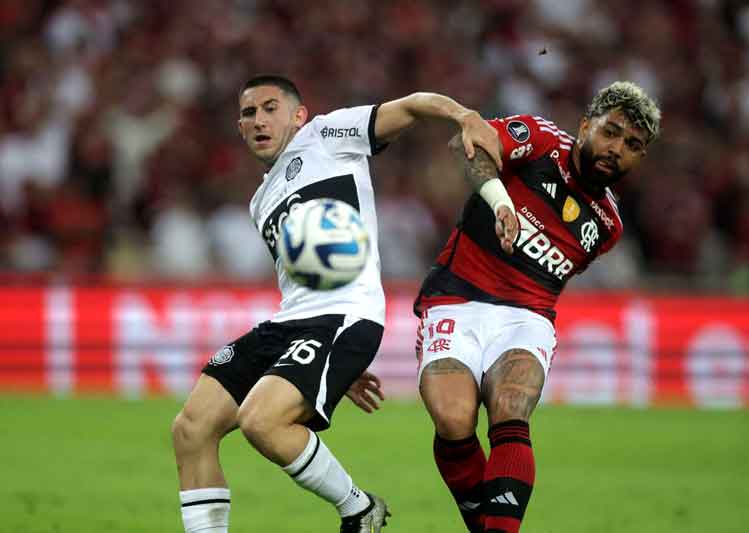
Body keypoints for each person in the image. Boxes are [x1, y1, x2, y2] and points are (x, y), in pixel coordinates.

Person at [171, 74, 502, 533]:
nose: (259, 120)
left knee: (261, 422)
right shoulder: (259, 202)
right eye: (249, 113)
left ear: (298, 115)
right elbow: (300, 280)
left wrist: (463, 116)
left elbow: (410, 104)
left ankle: (358, 508)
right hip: (294, 323)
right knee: (191, 429)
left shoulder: (326, 135)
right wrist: (331, 368)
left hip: (344, 314)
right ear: (240, 127)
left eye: (270, 108)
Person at [414, 81, 661, 533]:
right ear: (586, 126)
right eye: (610, 132)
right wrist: (502, 202)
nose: (616, 149)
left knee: (510, 405)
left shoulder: (608, 226)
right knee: (452, 419)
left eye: (632, 145)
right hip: (457, 295)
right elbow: (468, 143)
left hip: (526, 317)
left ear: (640, 158)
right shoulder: (541, 139)